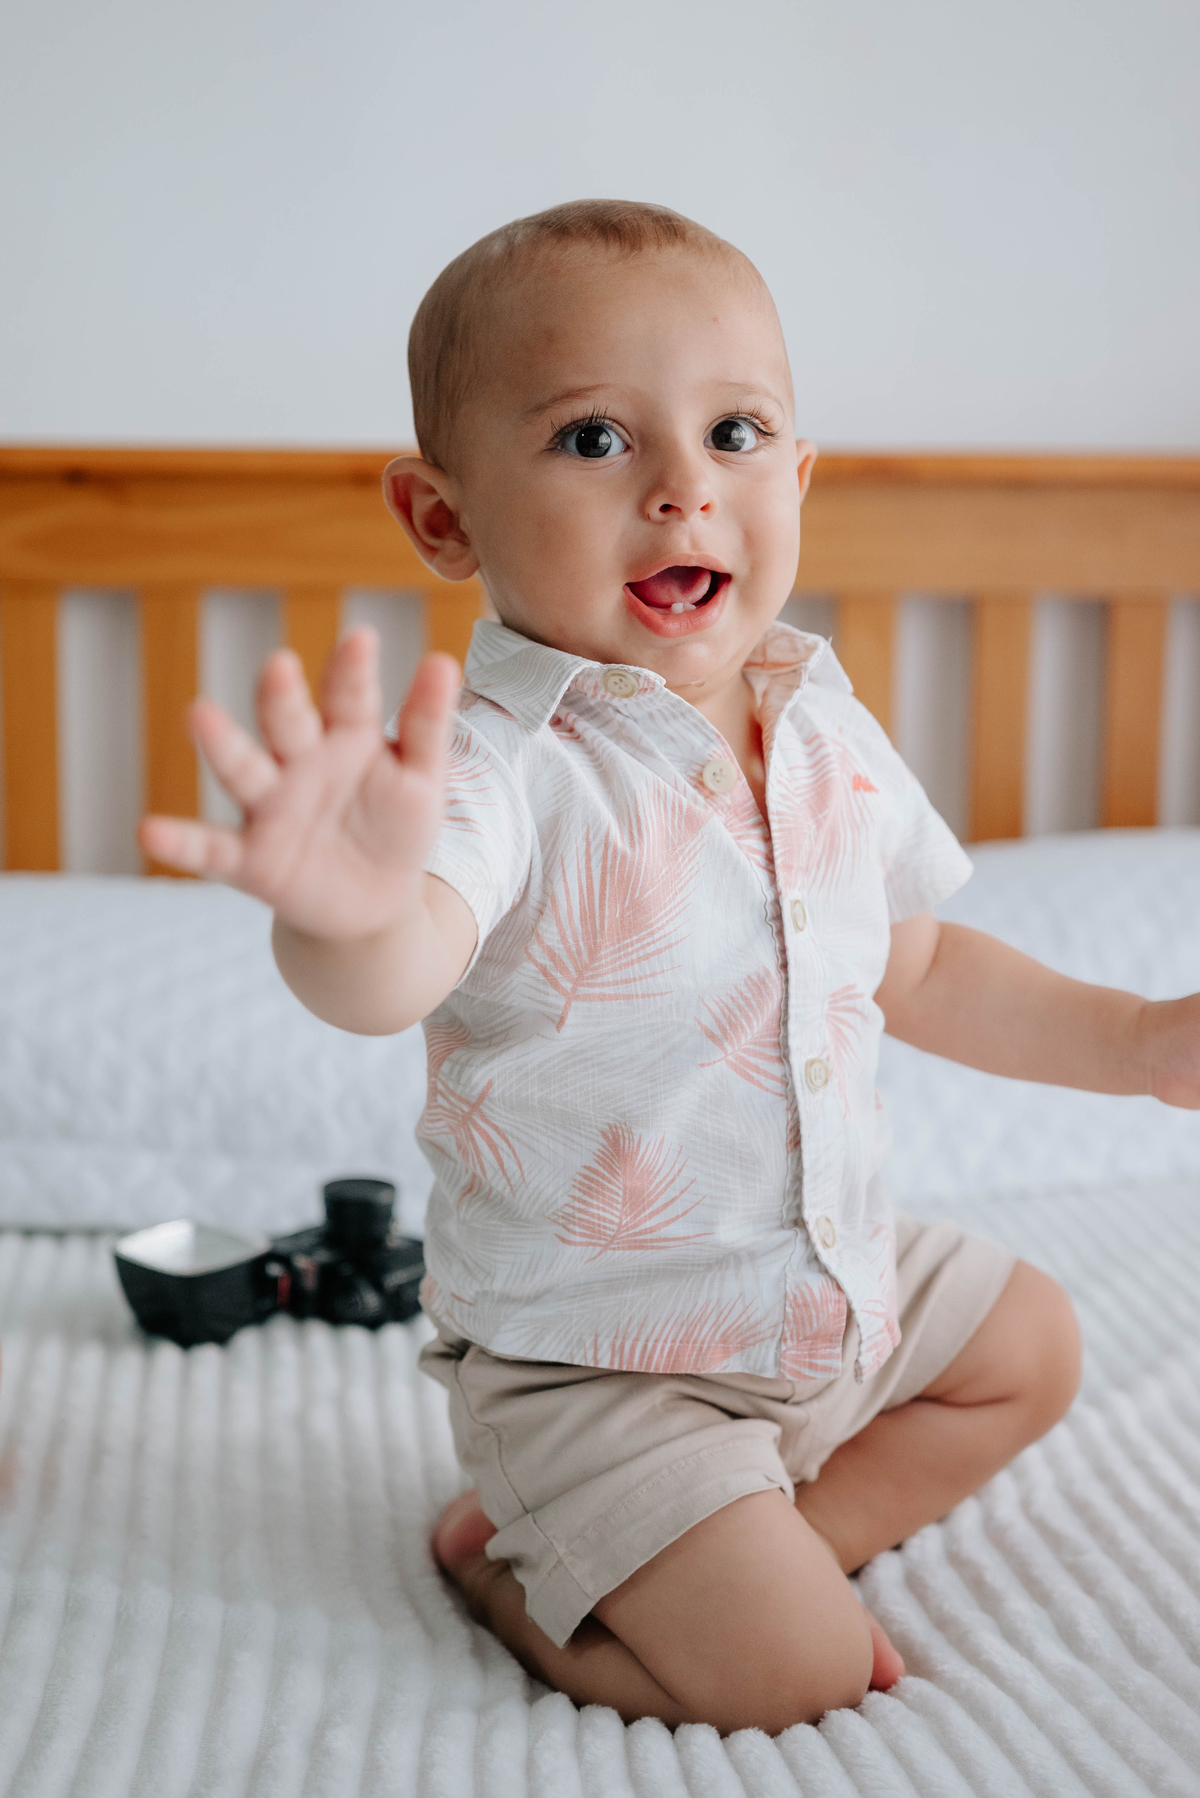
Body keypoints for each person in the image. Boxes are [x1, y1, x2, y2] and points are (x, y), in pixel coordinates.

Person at [140, 200, 1199, 1735]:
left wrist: (1145, 1039)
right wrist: (345, 912)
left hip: (832, 1282)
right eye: (593, 439)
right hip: (606, 1365)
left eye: (735, 432)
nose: (683, 487)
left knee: (1034, 1344)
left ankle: (775, 1537)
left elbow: (918, 960)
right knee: (798, 1677)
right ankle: (519, 1565)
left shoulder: (819, 717)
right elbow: (392, 969)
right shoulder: (497, 769)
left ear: (797, 477)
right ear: (443, 520)